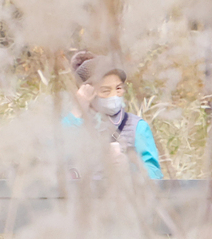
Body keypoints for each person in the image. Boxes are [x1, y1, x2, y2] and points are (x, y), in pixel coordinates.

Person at [67, 51, 163, 180]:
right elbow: (48, 158)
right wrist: (77, 112)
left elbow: (156, 175)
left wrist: (129, 167)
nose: (114, 95)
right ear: (88, 92)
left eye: (118, 88)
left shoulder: (137, 127)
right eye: (105, 90)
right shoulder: (74, 123)